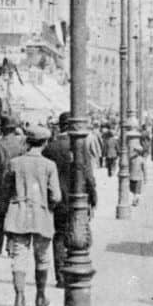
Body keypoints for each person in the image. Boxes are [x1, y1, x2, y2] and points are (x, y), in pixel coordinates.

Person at [2, 125, 61, 306]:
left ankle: (19, 297)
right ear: (44, 143)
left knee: (19, 257)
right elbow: (56, 196)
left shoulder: (14, 163)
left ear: (28, 141)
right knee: (42, 257)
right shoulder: (49, 165)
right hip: (41, 215)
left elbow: (5, 190)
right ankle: (40, 295)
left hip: (18, 215)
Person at [43, 112, 96, 286]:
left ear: (60, 126)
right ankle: (75, 268)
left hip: (58, 199)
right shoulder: (80, 146)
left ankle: (60, 276)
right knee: (78, 233)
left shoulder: (50, 148)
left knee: (59, 236)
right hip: (78, 199)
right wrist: (93, 198)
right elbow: (88, 176)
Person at [0, 117, 27, 254]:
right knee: (13, 214)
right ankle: (10, 245)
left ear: (2, 129)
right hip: (17, 186)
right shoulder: (21, 147)